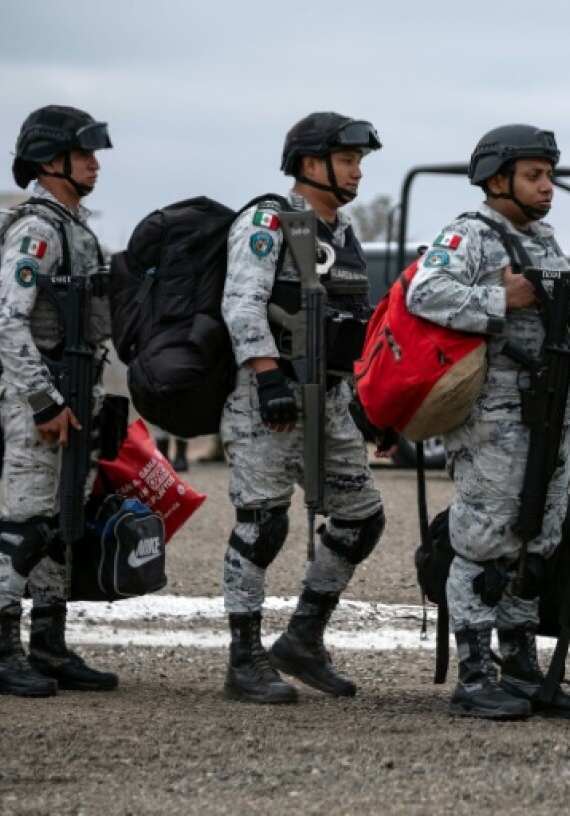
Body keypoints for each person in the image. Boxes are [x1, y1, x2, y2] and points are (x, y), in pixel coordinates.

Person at [405, 125, 570, 720]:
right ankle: (475, 677)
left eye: (549, 175)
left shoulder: (544, 240)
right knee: (482, 540)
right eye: (534, 175)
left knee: (536, 537)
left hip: (552, 414)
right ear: (497, 180)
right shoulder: (469, 234)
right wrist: (502, 302)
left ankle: (519, 666)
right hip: (496, 418)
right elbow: (425, 294)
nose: (548, 186)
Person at [218, 112, 387, 704]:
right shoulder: (269, 221)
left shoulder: (342, 234)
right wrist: (268, 379)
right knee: (262, 524)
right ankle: (244, 659)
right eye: (348, 159)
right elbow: (241, 304)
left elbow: (355, 326)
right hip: (269, 401)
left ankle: (303, 639)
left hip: (331, 400)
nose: (358, 170)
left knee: (361, 518)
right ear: (311, 164)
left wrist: (370, 406)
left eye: (359, 160)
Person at [0, 106, 117, 696]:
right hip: (40, 395)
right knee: (27, 522)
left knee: (64, 520)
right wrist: (42, 401)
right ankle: (1, 652)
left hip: (74, 388)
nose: (93, 163)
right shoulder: (39, 229)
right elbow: (7, 322)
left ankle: (49, 644)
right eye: (82, 153)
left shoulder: (73, 225)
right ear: (48, 161)